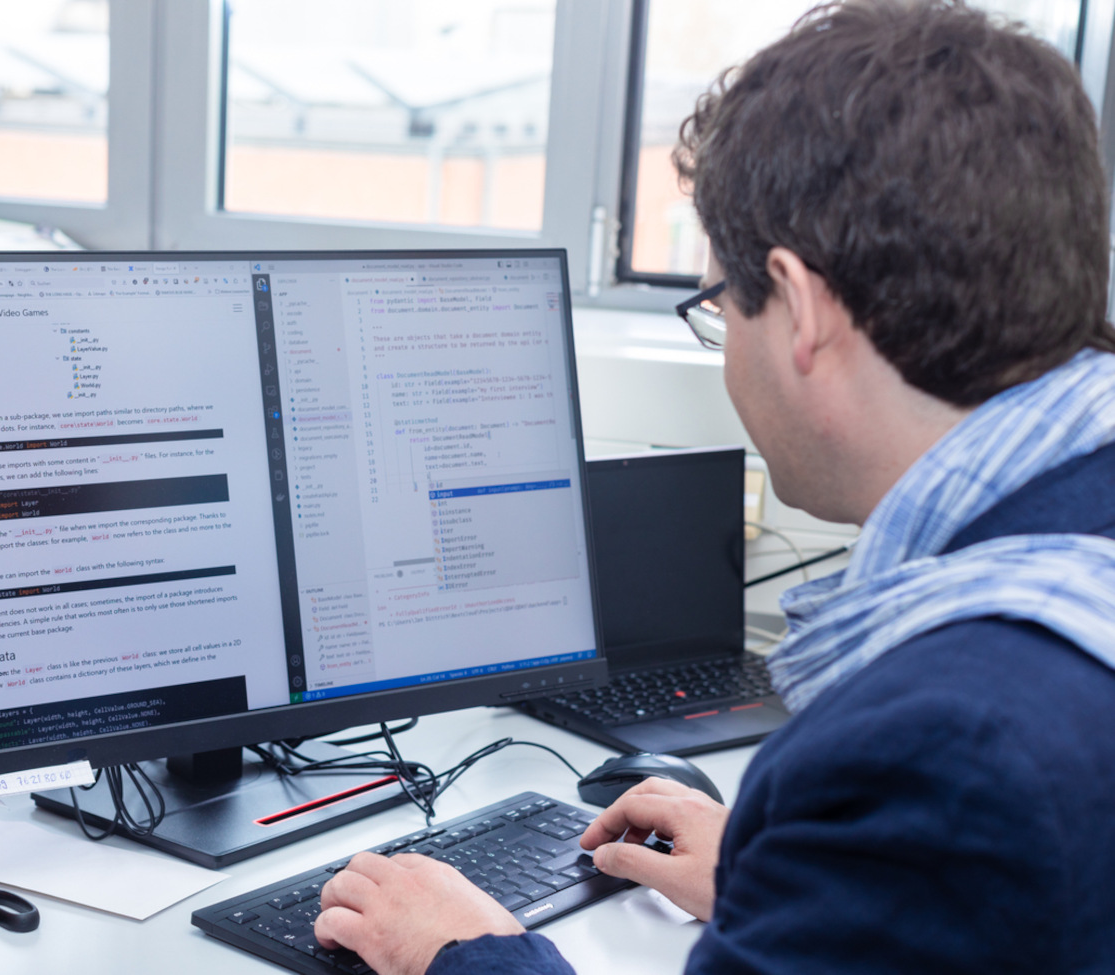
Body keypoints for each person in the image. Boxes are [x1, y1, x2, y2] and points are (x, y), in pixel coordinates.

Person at [313, 1, 1115, 971]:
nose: (725, 337)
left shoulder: (940, 747)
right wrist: (797, 882)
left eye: (722, 304)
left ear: (800, 308)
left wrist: (465, 955)